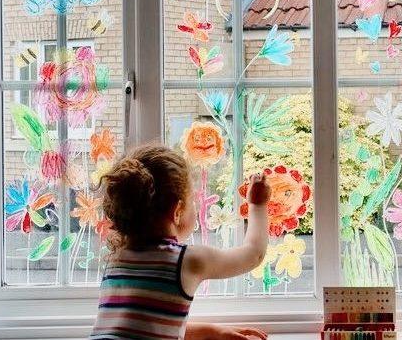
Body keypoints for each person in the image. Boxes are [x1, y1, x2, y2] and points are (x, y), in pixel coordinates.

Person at [89, 144, 269, 340]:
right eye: (192, 201)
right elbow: (254, 254)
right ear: (177, 211)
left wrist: (213, 332)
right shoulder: (186, 260)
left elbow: (150, 325)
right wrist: (257, 205)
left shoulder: (116, 259)